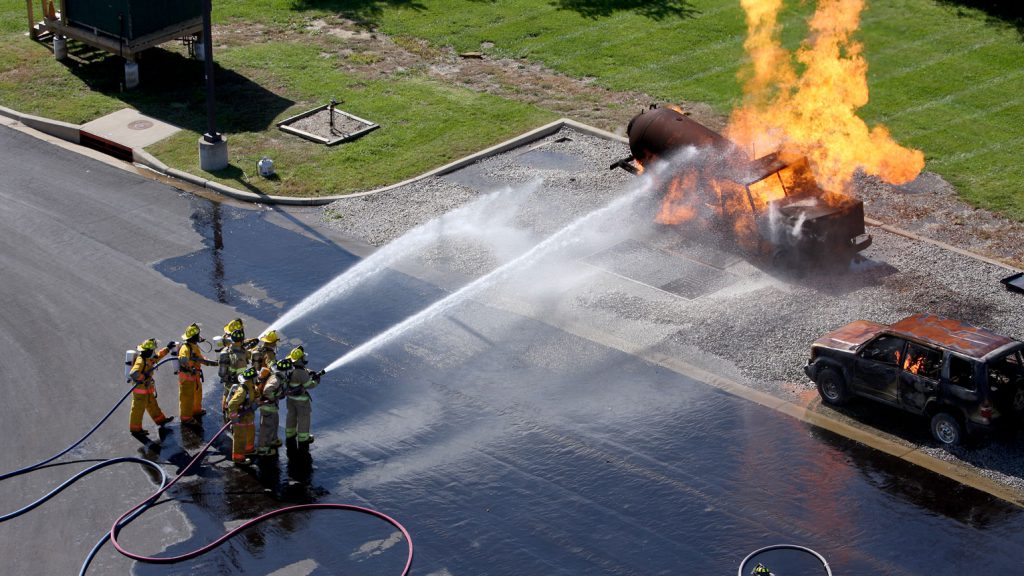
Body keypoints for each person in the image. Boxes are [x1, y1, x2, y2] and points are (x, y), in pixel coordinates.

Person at [128, 338, 175, 437]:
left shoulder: (147, 359)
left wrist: (167, 348)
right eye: (152, 350)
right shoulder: (141, 361)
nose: (154, 352)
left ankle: (161, 421)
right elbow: (133, 373)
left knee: (153, 405)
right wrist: (143, 376)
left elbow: (158, 356)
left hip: (147, 389)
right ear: (148, 351)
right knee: (138, 410)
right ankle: (136, 430)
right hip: (140, 391)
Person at [282, 346, 322, 453]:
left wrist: (309, 372)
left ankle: (290, 433)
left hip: (290, 399)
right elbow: (309, 385)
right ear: (300, 359)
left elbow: (301, 371)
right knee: (303, 418)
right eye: (303, 357)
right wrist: (316, 381)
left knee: (291, 415)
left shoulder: (290, 368)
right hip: (301, 401)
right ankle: (303, 438)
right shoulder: (300, 373)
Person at [177, 323, 218, 427]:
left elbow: (200, 358)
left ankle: (196, 411)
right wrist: (189, 367)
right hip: (187, 378)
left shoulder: (193, 346)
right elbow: (182, 359)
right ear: (193, 337)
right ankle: (186, 418)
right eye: (197, 335)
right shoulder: (185, 348)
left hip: (195, 377)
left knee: (197, 394)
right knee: (187, 398)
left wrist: (213, 363)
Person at [226, 366, 259, 466]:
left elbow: (256, 395)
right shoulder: (243, 391)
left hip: (248, 416)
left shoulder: (251, 387)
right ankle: (238, 457)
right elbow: (231, 404)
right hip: (240, 418)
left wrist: (256, 401)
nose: (257, 378)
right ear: (251, 378)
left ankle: (248, 449)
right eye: (255, 377)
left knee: (250, 432)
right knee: (240, 437)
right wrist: (234, 417)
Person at [255, 357, 287, 457]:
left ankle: (273, 440)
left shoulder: (277, 377)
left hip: (272, 406)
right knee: (267, 427)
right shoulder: (276, 379)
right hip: (267, 407)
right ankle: (263, 449)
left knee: (274, 423)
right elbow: (267, 390)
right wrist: (273, 397)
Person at [218, 329, 251, 421]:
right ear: (241, 340)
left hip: (229, 383)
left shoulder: (225, 351)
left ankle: (226, 417)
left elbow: (221, 373)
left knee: (226, 398)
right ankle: (234, 420)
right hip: (240, 385)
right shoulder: (243, 353)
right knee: (237, 403)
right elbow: (249, 357)